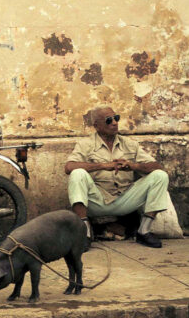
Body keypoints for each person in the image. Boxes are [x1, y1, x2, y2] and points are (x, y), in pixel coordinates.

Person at [65, 106, 169, 249]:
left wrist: (133, 166)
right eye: (109, 120)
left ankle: (143, 231)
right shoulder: (86, 144)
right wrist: (102, 166)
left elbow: (157, 166)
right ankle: (85, 234)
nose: (114, 123)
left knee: (160, 176)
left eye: (116, 118)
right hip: (97, 201)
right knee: (77, 173)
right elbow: (69, 167)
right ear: (96, 126)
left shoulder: (129, 144)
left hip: (125, 199)